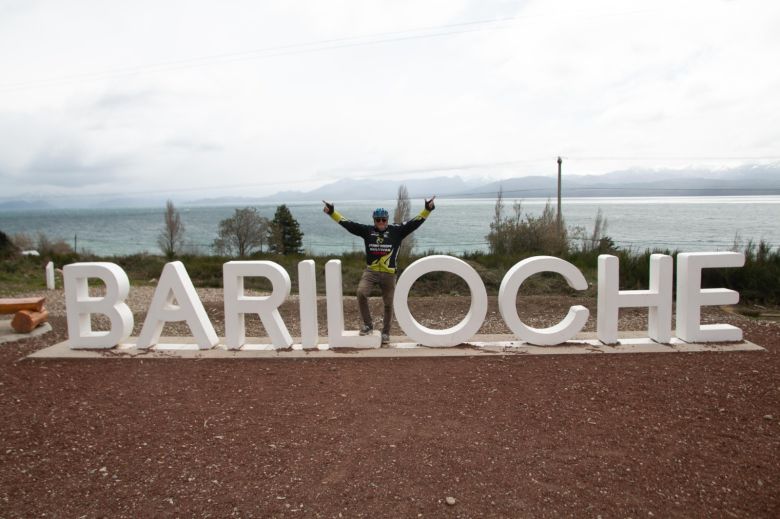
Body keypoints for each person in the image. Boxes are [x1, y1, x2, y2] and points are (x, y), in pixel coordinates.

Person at [323, 196, 436, 345]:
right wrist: (332, 212)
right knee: (361, 293)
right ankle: (368, 325)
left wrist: (427, 209)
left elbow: (414, 223)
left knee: (389, 303)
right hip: (371, 271)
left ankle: (386, 333)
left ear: (387, 220)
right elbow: (348, 224)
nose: (381, 222)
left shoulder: (397, 231)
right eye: (378, 220)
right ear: (374, 220)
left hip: (389, 274)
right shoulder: (367, 231)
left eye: (383, 219)